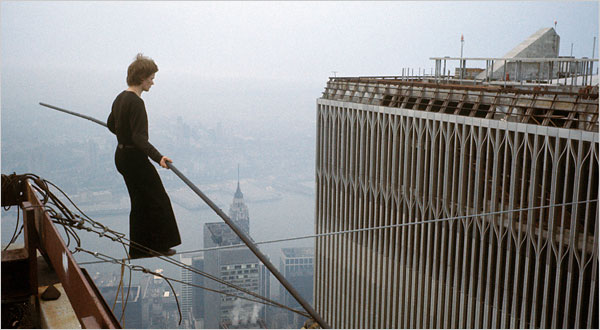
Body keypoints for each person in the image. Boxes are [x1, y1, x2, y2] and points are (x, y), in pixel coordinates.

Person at [107, 53, 181, 259]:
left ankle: (139, 249)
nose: (153, 82)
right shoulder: (137, 103)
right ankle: (159, 245)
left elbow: (111, 124)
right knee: (158, 200)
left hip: (121, 156)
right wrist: (159, 158)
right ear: (141, 78)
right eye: (151, 77)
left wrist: (124, 136)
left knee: (139, 202)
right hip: (134, 159)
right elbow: (139, 138)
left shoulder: (120, 97)